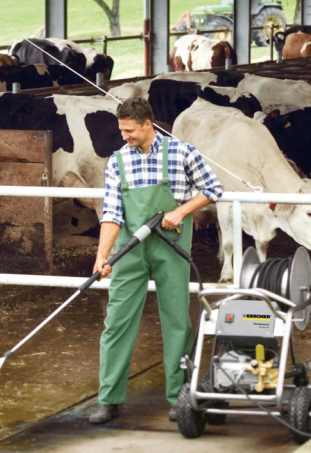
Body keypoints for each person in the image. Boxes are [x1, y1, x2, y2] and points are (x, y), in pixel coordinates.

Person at [89, 97, 223, 424]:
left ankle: (180, 397)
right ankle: (109, 399)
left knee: (176, 321)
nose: (124, 136)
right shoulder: (118, 161)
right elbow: (111, 213)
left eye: (129, 130)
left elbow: (213, 188)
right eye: (121, 130)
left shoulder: (181, 152)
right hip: (130, 249)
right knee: (117, 321)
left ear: (148, 124)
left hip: (171, 247)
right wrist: (102, 256)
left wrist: (180, 211)